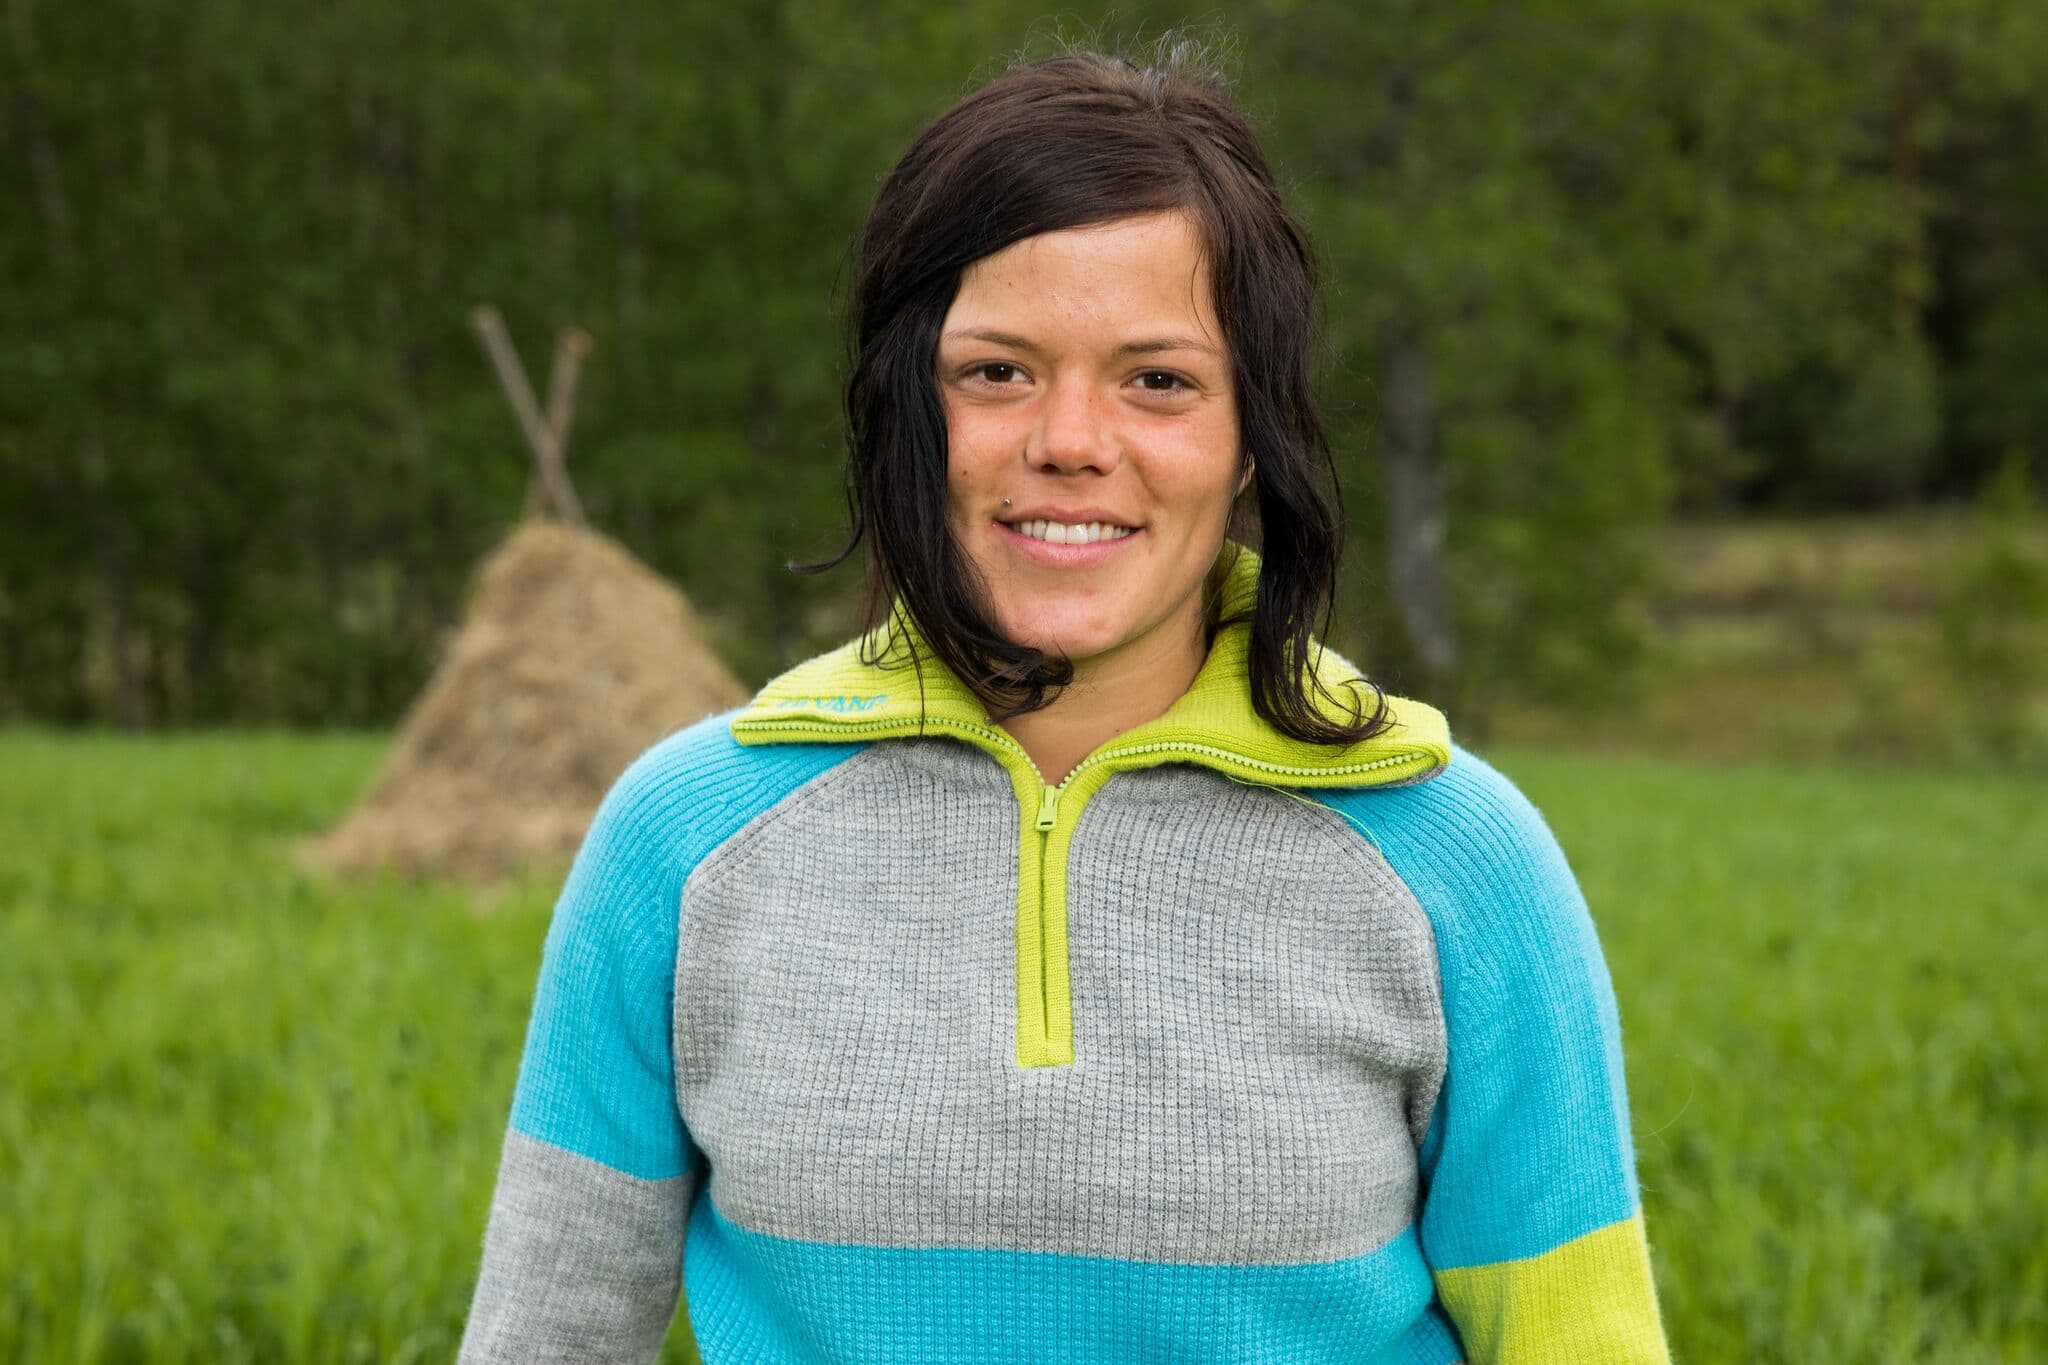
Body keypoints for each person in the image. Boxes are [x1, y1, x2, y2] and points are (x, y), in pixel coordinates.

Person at [458, 37, 1670, 1365]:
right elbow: (545, 1339)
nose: (1072, 443)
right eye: (998, 371)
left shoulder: (1458, 864)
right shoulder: (682, 846)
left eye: (1159, 381)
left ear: (1251, 434)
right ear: (903, 408)